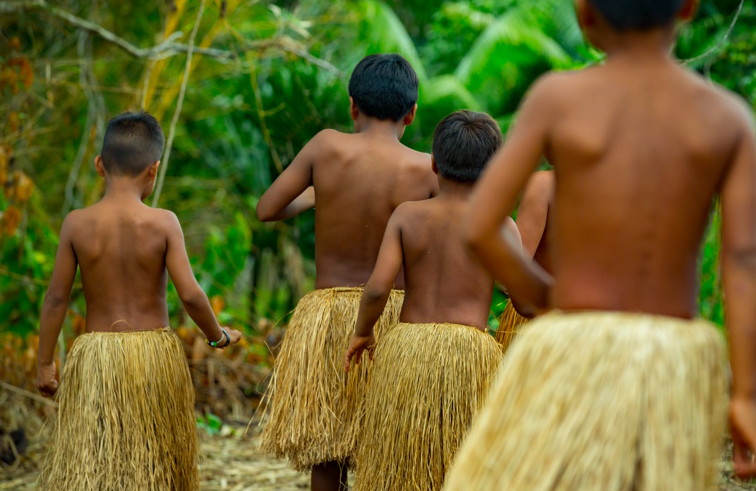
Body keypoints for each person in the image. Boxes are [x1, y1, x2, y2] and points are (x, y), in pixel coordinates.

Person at [444, 0, 756, 490]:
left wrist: (545, 297)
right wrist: (745, 394)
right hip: (672, 362)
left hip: (572, 344)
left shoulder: (558, 100)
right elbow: (743, 261)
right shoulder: (727, 119)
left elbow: (481, 223)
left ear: (584, 13)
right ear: (689, 2)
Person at [256, 54, 438, 491]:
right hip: (392, 323)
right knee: (391, 451)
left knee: (328, 449)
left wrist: (319, 195)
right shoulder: (426, 168)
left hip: (327, 319)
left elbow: (268, 208)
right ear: (411, 113)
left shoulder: (325, 148)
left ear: (352, 105)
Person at [36, 111, 242, 491]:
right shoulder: (164, 223)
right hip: (154, 358)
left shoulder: (77, 224)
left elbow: (55, 299)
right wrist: (217, 336)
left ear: (100, 164)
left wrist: (45, 362)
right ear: (154, 170)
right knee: (156, 467)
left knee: (99, 467)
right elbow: (192, 295)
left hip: (97, 362)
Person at [343, 110, 516, 491]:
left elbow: (376, 288)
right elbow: (522, 294)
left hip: (408, 351)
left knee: (403, 466)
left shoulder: (408, 216)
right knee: (462, 464)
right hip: (469, 357)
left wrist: (362, 332)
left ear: (434, 163)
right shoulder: (500, 225)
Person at [494, 169, 554, 350]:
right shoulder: (622, 187)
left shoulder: (544, 185)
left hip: (542, 327)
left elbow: (514, 272)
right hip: (603, 329)